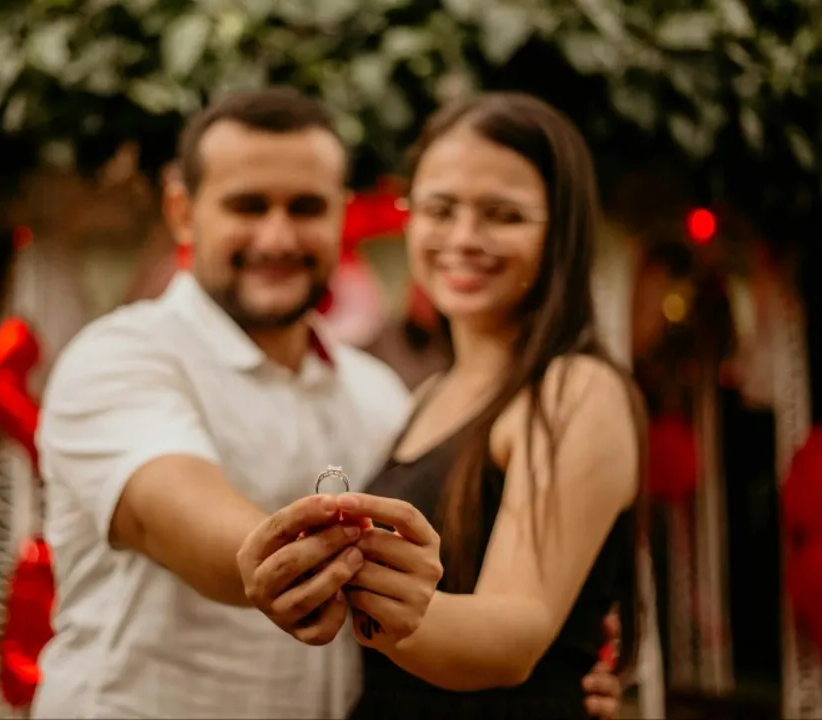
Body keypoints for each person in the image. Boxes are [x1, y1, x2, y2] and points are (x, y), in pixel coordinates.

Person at [32, 87, 623, 719]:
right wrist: (282, 563)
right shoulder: (121, 358)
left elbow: (475, 595)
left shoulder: (378, 395)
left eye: (306, 207)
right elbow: (173, 518)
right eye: (247, 206)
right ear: (182, 211)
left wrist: (556, 665)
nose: (277, 236)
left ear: (342, 215)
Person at [239, 92, 644, 719]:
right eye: (439, 209)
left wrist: (361, 587)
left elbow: (516, 634)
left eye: (503, 215)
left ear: (561, 229)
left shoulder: (573, 389)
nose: (463, 238)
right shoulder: (430, 393)